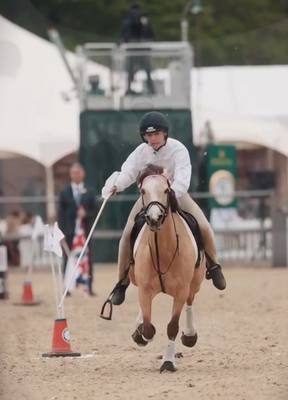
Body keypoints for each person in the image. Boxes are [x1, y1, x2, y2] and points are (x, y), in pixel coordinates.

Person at [104, 111, 226, 306]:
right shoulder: (140, 152)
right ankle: (122, 282)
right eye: (148, 135)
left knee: (203, 226)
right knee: (127, 233)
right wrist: (117, 186)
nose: (152, 139)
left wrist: (168, 197)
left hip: (175, 195)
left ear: (165, 133)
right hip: (149, 197)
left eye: (155, 134)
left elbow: (183, 179)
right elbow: (128, 171)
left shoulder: (179, 150)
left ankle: (214, 265)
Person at [58, 163, 98, 296]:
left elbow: (96, 210)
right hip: (69, 232)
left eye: (78, 172)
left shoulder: (90, 191)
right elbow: (61, 214)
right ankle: (67, 288)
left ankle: (89, 287)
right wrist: (61, 233)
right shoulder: (64, 192)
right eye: (73, 172)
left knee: (88, 258)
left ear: (83, 174)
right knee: (68, 259)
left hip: (85, 231)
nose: (76, 175)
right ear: (70, 174)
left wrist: (85, 213)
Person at [120, 3, 155, 95]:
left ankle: (129, 88)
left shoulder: (127, 19)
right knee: (147, 70)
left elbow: (124, 34)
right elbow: (150, 34)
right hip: (143, 48)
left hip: (131, 49)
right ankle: (151, 89)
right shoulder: (143, 18)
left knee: (130, 70)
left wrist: (125, 41)